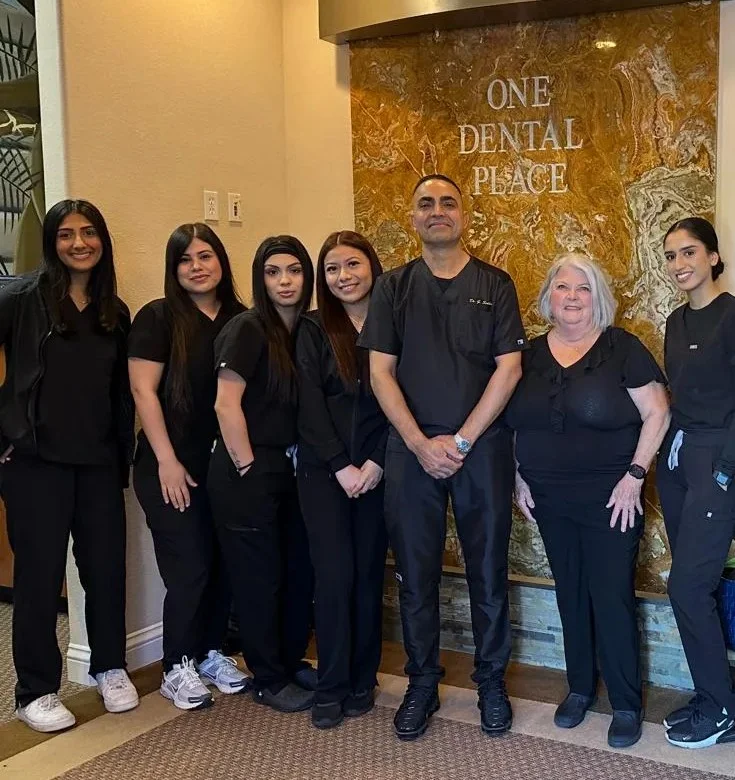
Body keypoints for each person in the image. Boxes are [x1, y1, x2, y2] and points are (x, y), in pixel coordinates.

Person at [358, 173, 526, 741]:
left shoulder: (496, 285)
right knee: (415, 576)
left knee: (488, 572)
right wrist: (418, 443)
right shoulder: (393, 288)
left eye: (447, 203)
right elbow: (379, 371)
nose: (437, 212)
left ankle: (491, 684)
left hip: (480, 449)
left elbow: (510, 368)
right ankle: (422, 684)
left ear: (464, 215)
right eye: (425, 204)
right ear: (412, 218)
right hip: (411, 451)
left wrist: (459, 442)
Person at [507, 254, 669, 748]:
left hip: (611, 498)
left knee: (611, 596)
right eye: (562, 287)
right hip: (550, 497)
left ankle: (624, 702)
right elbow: (514, 421)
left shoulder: (622, 348)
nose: (572, 296)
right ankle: (579, 688)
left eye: (583, 288)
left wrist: (634, 476)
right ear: (547, 297)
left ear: (599, 297)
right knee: (569, 592)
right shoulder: (529, 354)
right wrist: (519, 477)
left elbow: (658, 413)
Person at [0, 199, 139, 732]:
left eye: (88, 233)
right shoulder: (20, 299)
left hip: (100, 462)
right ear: (52, 242)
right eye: (65, 234)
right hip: (37, 464)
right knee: (38, 578)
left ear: (102, 240)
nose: (78, 243)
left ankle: (109, 667)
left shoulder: (114, 310)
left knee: (106, 570)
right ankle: (35, 690)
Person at [129, 223, 249, 711]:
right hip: (168, 465)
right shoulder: (158, 318)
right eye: (185, 259)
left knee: (221, 562)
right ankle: (175, 665)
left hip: (223, 467)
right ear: (173, 269)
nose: (197, 267)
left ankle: (210, 652)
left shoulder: (243, 318)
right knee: (190, 565)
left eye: (205, 256)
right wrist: (167, 461)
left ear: (221, 261)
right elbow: (143, 392)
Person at [208, 235, 316, 713]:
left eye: (293, 270)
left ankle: (290, 662)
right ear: (260, 279)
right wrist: (248, 466)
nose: (285, 281)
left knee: (295, 570)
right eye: (273, 272)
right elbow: (225, 404)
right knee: (259, 577)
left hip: (292, 468)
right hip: (246, 469)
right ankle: (267, 677)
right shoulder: (246, 328)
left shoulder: (307, 331)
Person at [295, 230, 388, 729]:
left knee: (369, 576)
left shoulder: (393, 325)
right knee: (333, 579)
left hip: (378, 472)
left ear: (371, 267)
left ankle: (362, 678)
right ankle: (331, 682)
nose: (344, 276)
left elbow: (404, 398)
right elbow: (307, 403)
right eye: (332, 269)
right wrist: (340, 466)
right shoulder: (313, 329)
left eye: (352, 264)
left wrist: (375, 463)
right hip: (322, 473)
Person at [657, 217, 735, 748]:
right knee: (686, 587)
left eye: (689, 253)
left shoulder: (733, 316)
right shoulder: (675, 322)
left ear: (712, 257)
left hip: (719, 460)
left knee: (689, 585)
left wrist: (726, 468)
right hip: (679, 457)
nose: (679, 265)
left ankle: (723, 710)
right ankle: (713, 696)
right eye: (670, 256)